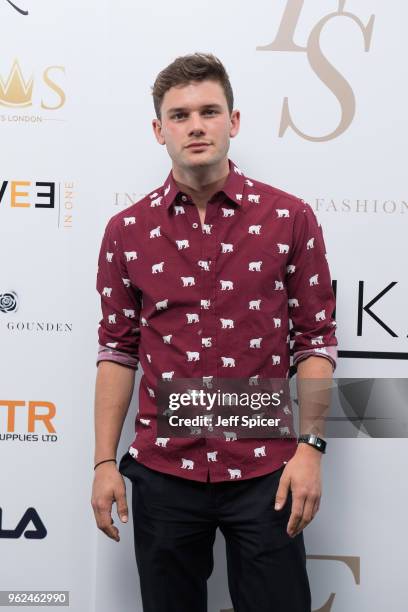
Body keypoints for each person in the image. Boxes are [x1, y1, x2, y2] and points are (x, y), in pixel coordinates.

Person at [91, 52, 338, 612]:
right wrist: (104, 462)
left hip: (267, 469)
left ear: (234, 121)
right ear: (159, 130)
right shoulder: (125, 231)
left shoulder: (289, 218)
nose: (195, 125)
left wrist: (311, 448)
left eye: (209, 110)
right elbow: (117, 350)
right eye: (179, 115)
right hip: (163, 470)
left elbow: (315, 341)